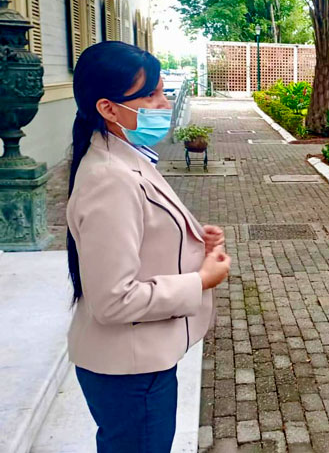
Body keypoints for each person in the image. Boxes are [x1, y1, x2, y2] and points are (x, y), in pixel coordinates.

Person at [66, 42, 231, 452]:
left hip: (139, 364)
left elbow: (141, 239)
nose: (164, 102)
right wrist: (200, 280)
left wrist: (196, 243)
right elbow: (113, 300)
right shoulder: (110, 178)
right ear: (108, 108)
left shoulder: (127, 158)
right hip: (130, 372)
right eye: (151, 95)